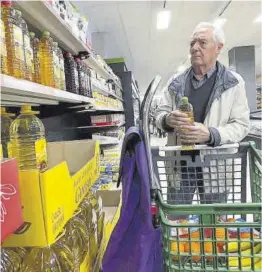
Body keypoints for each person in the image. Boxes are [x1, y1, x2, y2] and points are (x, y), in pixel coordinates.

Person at [155, 22, 250, 205]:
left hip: (216, 168)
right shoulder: (176, 83)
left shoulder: (233, 83)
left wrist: (211, 134)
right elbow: (159, 115)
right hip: (180, 165)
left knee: (213, 225)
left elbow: (242, 125)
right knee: (178, 222)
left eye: (202, 43)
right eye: (192, 43)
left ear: (218, 48)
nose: (195, 48)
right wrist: (167, 120)